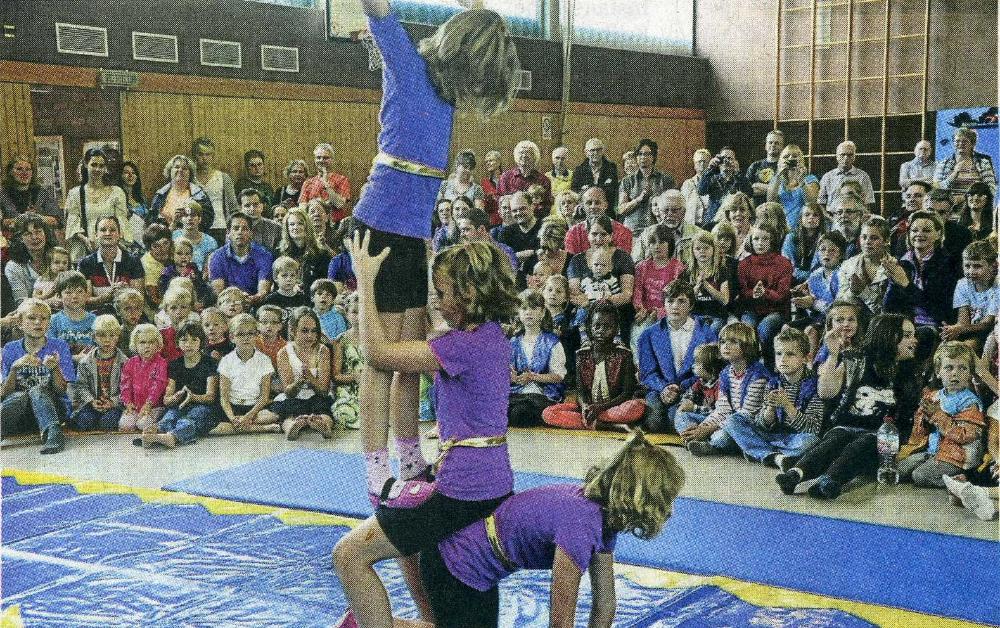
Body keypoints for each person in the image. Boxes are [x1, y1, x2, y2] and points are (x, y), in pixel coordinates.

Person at [333, 233, 520, 628]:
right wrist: (425, 267)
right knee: (412, 553)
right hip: (483, 483)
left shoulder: (464, 347)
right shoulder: (488, 337)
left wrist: (365, 283)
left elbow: (378, 354)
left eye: (443, 292)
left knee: (349, 555)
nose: (437, 300)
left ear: (468, 294)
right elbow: (430, 329)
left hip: (464, 493)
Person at [415, 430, 685, 628]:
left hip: (470, 567)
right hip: (454, 567)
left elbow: (605, 604)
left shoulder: (602, 519)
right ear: (645, 500)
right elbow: (560, 621)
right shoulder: (581, 525)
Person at [777, 313, 921, 499]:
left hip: (882, 440)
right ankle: (794, 475)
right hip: (847, 426)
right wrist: (833, 354)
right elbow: (825, 392)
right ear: (888, 336)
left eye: (913, 335)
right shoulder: (858, 360)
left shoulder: (911, 373)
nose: (914, 341)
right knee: (834, 439)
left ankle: (829, 481)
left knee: (862, 443)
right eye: (907, 335)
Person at [724, 328, 823, 467]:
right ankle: (774, 456)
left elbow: (812, 429)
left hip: (795, 438)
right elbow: (762, 425)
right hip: (772, 436)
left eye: (790, 354)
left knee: (810, 441)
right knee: (733, 420)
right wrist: (770, 409)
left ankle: (757, 450)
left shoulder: (814, 386)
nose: (783, 359)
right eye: (779, 353)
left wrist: (787, 406)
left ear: (805, 358)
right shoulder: (773, 383)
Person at [542, 300, 645, 430]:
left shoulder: (624, 355)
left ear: (616, 329)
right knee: (548, 413)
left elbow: (626, 393)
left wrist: (600, 408)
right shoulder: (581, 355)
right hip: (589, 408)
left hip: (614, 407)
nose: (601, 331)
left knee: (636, 407)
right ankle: (605, 425)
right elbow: (580, 392)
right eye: (597, 326)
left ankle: (592, 422)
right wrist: (585, 407)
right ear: (590, 327)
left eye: (607, 327)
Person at [898, 341, 986, 488]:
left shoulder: (969, 402)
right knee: (900, 470)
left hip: (958, 456)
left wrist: (937, 415)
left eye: (962, 368)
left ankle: (965, 478)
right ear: (938, 372)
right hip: (933, 451)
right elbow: (920, 431)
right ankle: (932, 466)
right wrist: (923, 417)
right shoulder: (934, 396)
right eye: (949, 367)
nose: (955, 373)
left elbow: (965, 435)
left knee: (920, 476)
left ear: (970, 374)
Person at [675, 321, 770, 456]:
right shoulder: (726, 373)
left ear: (747, 346)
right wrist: (703, 427)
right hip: (725, 421)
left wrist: (708, 429)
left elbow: (747, 415)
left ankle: (711, 444)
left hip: (746, 426)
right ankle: (696, 438)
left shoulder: (757, 376)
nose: (726, 345)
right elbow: (722, 409)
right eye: (723, 341)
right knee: (682, 415)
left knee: (724, 435)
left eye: (733, 341)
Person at [637, 280, 719, 433]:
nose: (675, 306)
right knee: (655, 422)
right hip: (659, 389)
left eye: (681, 301)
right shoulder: (648, 334)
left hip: (693, 389)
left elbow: (711, 371)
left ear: (691, 305)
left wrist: (681, 387)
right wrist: (664, 387)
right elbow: (647, 373)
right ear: (664, 304)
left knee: (674, 419)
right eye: (670, 301)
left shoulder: (706, 333)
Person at [1, 298, 75, 453]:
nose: (38, 323)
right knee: (20, 396)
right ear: (20, 323)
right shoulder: (10, 348)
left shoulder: (59, 346)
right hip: (21, 414)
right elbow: (4, 393)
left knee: (37, 390)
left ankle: (53, 434)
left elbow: (62, 391)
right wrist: (14, 369)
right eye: (31, 318)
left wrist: (54, 369)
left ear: (49, 323)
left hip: (54, 411)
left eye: (43, 318)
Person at [139, 320, 219, 448]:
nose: (188, 344)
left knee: (193, 418)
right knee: (169, 417)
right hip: (179, 405)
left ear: (201, 342)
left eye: (194, 340)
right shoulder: (175, 364)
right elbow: (166, 399)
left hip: (203, 406)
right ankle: (153, 434)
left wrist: (193, 397)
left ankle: (172, 437)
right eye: (184, 340)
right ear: (178, 343)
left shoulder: (209, 362)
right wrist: (175, 397)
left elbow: (211, 397)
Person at [567, 214, 636, 343]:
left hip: (616, 308)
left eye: (603, 234)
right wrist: (592, 305)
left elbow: (627, 294)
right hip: (587, 309)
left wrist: (604, 303)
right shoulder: (577, 260)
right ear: (588, 235)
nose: (598, 239)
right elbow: (574, 293)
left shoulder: (623, 257)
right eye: (594, 234)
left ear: (611, 236)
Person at [269, 307, 335, 440]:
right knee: (288, 412)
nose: (310, 336)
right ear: (293, 331)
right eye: (304, 331)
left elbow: (323, 390)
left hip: (317, 396)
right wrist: (298, 382)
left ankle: (324, 425)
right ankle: (291, 427)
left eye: (313, 331)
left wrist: (310, 378)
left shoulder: (322, 351)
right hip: (294, 397)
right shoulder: (284, 353)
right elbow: (288, 392)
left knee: (323, 409)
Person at [211, 313, 281, 435]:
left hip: (255, 408)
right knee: (210, 424)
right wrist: (232, 417)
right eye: (240, 334)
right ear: (232, 337)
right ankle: (262, 428)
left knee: (273, 415)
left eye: (250, 334)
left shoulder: (264, 360)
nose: (246, 338)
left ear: (256, 336)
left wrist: (249, 415)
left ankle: (239, 426)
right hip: (233, 406)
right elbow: (224, 398)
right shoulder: (226, 361)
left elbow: (264, 397)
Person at [507, 288, 566, 427]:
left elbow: (559, 376)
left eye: (533, 308)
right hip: (517, 394)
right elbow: (508, 370)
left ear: (542, 312)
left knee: (519, 414)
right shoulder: (513, 342)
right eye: (524, 309)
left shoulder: (552, 342)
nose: (528, 312)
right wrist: (510, 376)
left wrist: (533, 377)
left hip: (543, 395)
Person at [737, 222, 793, 364]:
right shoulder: (744, 264)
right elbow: (742, 291)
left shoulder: (784, 263)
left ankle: (770, 365)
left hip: (776, 310)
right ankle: (750, 366)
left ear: (772, 240)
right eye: (756, 239)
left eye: (765, 239)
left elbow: (782, 294)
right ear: (750, 240)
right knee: (747, 330)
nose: (760, 243)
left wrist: (765, 293)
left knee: (765, 329)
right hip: (751, 309)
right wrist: (753, 293)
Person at [65, 147, 132, 261]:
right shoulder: (75, 193)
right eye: (94, 165)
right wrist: (86, 240)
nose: (97, 169)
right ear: (86, 164)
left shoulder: (117, 192)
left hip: (111, 247)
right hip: (85, 250)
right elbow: (72, 224)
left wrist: (108, 242)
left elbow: (121, 223)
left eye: (101, 166)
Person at [631, 225, 686, 350]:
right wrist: (640, 308)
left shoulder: (677, 267)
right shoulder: (642, 267)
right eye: (653, 242)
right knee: (638, 336)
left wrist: (661, 312)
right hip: (645, 313)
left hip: (669, 314)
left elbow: (679, 297)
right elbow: (637, 291)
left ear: (670, 244)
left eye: (661, 242)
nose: (657, 246)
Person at [78, 215, 146, 312]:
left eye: (112, 230)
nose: (108, 233)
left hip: (127, 314)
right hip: (96, 316)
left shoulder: (133, 261)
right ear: (96, 234)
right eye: (103, 230)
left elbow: (139, 299)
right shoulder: (85, 264)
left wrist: (126, 292)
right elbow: (83, 300)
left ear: (120, 234)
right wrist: (108, 296)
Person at [69, 314, 125, 431]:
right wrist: (91, 401)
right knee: (85, 421)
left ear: (118, 337)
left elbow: (127, 389)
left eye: (112, 335)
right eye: (102, 335)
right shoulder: (85, 362)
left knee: (108, 423)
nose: (107, 340)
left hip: (115, 405)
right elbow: (80, 386)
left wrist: (113, 402)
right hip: (91, 404)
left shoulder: (125, 362)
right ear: (94, 337)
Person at [208, 212, 275, 307]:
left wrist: (253, 298)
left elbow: (263, 290)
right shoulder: (217, 256)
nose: (240, 232)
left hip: (255, 305)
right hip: (226, 305)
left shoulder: (264, 255)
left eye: (245, 229)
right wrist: (236, 302)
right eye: (236, 228)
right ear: (228, 233)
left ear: (251, 233)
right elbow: (218, 292)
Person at [942, 239, 998, 349]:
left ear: (993, 266)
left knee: (967, 347)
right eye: (967, 266)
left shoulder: (997, 286)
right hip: (971, 330)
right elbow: (963, 321)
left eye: (977, 266)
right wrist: (951, 330)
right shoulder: (963, 284)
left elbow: (987, 324)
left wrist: (960, 329)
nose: (971, 271)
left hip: (991, 332)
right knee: (945, 346)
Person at [617, 138, 677, 234]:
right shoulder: (627, 181)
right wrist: (638, 199)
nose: (643, 157)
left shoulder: (666, 180)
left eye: (646, 154)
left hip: (658, 232)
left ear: (653, 156)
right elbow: (621, 209)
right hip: (633, 232)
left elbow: (675, 206)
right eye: (640, 154)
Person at [632, 189, 703, 267]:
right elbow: (635, 263)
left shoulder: (697, 234)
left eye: (674, 210)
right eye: (665, 210)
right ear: (659, 211)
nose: (669, 214)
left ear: (683, 212)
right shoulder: (647, 234)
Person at [119, 323, 169, 432]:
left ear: (157, 344)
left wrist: (148, 404)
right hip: (135, 406)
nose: (147, 346)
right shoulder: (130, 363)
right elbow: (125, 385)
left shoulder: (161, 363)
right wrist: (128, 403)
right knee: (125, 425)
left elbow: (158, 385)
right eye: (142, 342)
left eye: (151, 342)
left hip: (155, 406)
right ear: (135, 345)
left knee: (143, 425)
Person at [679, 230, 732, 334]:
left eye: (706, 248)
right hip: (695, 315)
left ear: (713, 249)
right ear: (692, 251)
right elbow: (683, 301)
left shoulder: (721, 270)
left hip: (716, 315)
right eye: (698, 248)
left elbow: (725, 300)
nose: (702, 251)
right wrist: (697, 287)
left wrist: (707, 286)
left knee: (713, 330)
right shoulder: (686, 272)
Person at [147, 155, 215, 233]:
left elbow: (208, 219)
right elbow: (151, 221)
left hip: (191, 237)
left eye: (185, 168)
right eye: (176, 167)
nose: (180, 170)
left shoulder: (199, 194)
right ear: (170, 171)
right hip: (165, 238)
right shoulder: (160, 194)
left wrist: (189, 217)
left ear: (190, 173)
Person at [5, 213, 59, 308]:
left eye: (38, 232)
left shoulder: (59, 255)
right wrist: (49, 302)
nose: (34, 237)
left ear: (46, 233)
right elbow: (22, 303)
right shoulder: (13, 267)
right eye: (28, 234)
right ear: (20, 239)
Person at [191, 137, 238, 241]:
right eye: (200, 154)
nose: (204, 158)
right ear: (194, 155)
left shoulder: (223, 177)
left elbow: (233, 207)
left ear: (213, 156)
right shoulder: (190, 179)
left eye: (208, 154)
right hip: (195, 227)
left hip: (219, 227)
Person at [0, 156, 61, 234]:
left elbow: (57, 220)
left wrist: (38, 218)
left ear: (32, 173)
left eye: (28, 169)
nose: (24, 173)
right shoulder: (2, 195)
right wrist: (19, 220)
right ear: (10, 172)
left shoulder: (43, 193)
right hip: (11, 238)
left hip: (39, 238)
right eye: (19, 169)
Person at [565, 187, 632, 255]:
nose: (593, 206)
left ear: (605, 205)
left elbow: (622, 259)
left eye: (597, 203)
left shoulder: (622, 232)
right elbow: (572, 260)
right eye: (589, 203)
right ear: (583, 206)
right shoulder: (573, 233)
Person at [767, 143, 820, 230]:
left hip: (803, 228)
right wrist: (778, 174)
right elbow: (770, 202)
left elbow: (812, 204)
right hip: (782, 227)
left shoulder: (810, 179)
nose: (791, 158)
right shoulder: (776, 180)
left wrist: (802, 181)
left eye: (795, 156)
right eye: (786, 156)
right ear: (780, 161)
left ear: (802, 160)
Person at [697, 146, 752, 226]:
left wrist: (737, 172)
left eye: (729, 158)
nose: (726, 161)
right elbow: (701, 191)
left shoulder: (739, 179)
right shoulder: (713, 178)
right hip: (713, 221)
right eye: (723, 158)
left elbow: (749, 193)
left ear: (735, 161)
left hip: (732, 222)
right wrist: (710, 168)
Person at [817, 141, 875, 214]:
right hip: (832, 216)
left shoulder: (863, 176)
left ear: (854, 157)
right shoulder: (827, 177)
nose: (846, 158)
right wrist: (828, 218)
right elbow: (821, 203)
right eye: (842, 154)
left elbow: (867, 203)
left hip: (855, 217)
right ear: (837, 156)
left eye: (850, 155)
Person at [934, 127, 997, 195]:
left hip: (975, 200)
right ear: (953, 143)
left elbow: (991, 189)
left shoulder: (983, 163)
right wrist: (953, 174)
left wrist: (970, 198)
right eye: (957, 141)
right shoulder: (943, 164)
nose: (961, 143)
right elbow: (936, 189)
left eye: (965, 141)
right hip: (949, 201)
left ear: (973, 144)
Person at [331, 292, 362, 430]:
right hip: (349, 389)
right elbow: (336, 375)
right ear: (347, 314)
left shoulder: (377, 338)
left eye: (363, 312)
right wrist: (354, 377)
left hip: (373, 385)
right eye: (354, 312)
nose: (359, 317)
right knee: (344, 412)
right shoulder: (341, 340)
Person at [48, 270, 96, 357]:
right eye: (68, 292)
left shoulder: (95, 321)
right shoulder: (53, 321)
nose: (74, 296)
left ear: (86, 294)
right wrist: (75, 358)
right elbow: (50, 352)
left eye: (79, 291)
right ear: (59, 296)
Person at [301, 143, 352, 224]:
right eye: (318, 157)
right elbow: (302, 210)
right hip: (313, 224)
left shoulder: (342, 180)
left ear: (332, 160)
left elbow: (339, 204)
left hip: (336, 225)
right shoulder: (308, 183)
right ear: (315, 160)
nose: (321, 160)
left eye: (325, 158)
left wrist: (326, 184)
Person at [571, 138, 619, 212]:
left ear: (602, 151)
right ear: (586, 152)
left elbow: (614, 190)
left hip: (607, 210)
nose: (595, 153)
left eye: (598, 150)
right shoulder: (579, 170)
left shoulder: (611, 168)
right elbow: (574, 191)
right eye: (592, 150)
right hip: (586, 210)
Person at [782, 203, 825, 284]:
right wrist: (808, 276)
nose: (811, 217)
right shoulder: (791, 238)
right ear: (801, 218)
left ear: (820, 219)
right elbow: (788, 266)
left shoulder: (825, 239)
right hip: (793, 279)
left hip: (819, 281)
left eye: (815, 215)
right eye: (807, 215)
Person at [747, 129, 784, 206]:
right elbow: (747, 190)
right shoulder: (755, 166)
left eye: (777, 143)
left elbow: (783, 191)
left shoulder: (784, 167)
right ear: (766, 146)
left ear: (782, 147)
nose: (773, 145)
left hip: (777, 209)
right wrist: (773, 189)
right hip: (756, 209)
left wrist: (757, 185)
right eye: (770, 142)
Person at [681, 149, 712, 226]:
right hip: (693, 224)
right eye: (699, 162)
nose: (702, 164)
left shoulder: (715, 182)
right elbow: (682, 206)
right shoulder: (687, 184)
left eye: (705, 162)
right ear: (694, 165)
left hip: (711, 225)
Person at [480, 150, 504, 225]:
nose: (488, 163)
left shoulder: (507, 178)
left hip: (507, 219)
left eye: (490, 161)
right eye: (486, 162)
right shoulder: (484, 182)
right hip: (492, 222)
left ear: (499, 162)